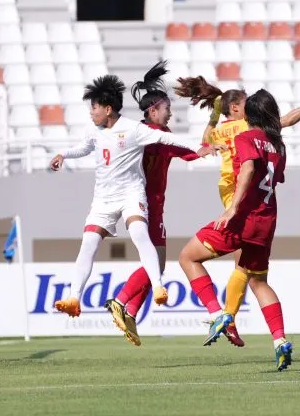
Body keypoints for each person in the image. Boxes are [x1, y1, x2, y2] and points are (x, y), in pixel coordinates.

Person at [174, 77, 300, 346]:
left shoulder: (221, 129)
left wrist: (213, 112)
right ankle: (231, 318)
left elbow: (205, 139)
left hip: (233, 194)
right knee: (249, 272)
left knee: (242, 269)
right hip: (246, 198)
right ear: (235, 108)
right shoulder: (250, 127)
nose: (251, 106)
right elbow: (288, 120)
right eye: (246, 102)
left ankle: (224, 317)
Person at [49, 74, 216, 318]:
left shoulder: (135, 129)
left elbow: (168, 138)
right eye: (166, 108)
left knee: (139, 235)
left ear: (107, 109)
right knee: (88, 245)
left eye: (93, 107)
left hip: (132, 194)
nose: (90, 112)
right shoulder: (95, 130)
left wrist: (197, 148)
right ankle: (76, 299)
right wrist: (63, 154)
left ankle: (153, 291)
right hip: (104, 198)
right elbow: (85, 147)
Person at [178, 89, 293, 371]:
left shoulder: (245, 138)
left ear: (248, 114)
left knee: (187, 257)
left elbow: (248, 169)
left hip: (243, 218)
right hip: (267, 220)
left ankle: (218, 314)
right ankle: (280, 341)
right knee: (258, 282)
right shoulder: (278, 145)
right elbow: (278, 177)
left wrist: (232, 208)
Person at [103, 61, 204, 346]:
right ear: (153, 111)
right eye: (166, 108)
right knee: (156, 263)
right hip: (147, 204)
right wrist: (212, 144)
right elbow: (190, 152)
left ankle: (130, 312)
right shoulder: (153, 136)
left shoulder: (142, 133)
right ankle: (121, 301)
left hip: (140, 203)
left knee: (155, 264)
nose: (170, 112)